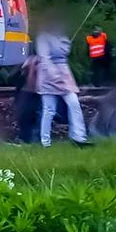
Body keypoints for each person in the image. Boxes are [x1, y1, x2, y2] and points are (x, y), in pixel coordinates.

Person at [34, 13, 88, 147]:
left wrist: (65, 44)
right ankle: (45, 142)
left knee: (74, 103)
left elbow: (65, 52)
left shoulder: (62, 37)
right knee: (49, 109)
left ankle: (79, 137)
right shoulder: (43, 37)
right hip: (48, 75)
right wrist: (54, 75)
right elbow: (44, 57)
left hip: (63, 73)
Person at [11, 56, 41, 144]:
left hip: (33, 94)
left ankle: (28, 139)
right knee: (25, 118)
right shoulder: (29, 62)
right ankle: (26, 139)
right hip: (27, 93)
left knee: (29, 118)